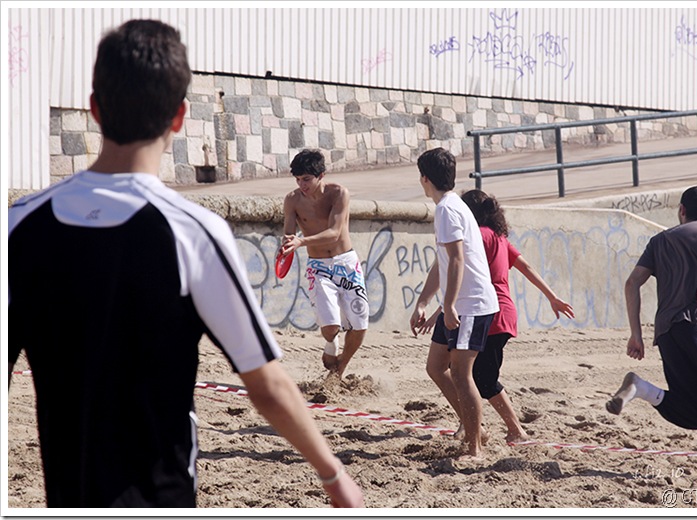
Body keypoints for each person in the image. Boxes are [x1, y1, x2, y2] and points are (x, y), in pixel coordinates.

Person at [8, 20, 363, 508]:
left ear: (94, 109)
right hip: (166, 494)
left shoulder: (20, 226)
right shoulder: (193, 232)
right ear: (178, 118)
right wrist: (332, 473)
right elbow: (266, 385)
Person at [606, 186, 697, 441]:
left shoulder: (659, 241)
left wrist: (636, 334)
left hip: (667, 333)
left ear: (682, 210)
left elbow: (632, 283)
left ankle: (642, 388)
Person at [457, 189, 575, 443]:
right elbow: (527, 267)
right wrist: (551, 296)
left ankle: (516, 430)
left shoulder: (479, 236)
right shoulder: (499, 237)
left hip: (489, 314)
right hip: (504, 313)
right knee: (466, 370)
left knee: (481, 378)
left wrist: (441, 310)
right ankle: (468, 423)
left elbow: (464, 276)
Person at [409, 148, 499, 460]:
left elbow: (458, 260)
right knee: (436, 367)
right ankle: (475, 427)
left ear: (424, 179)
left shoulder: (448, 209)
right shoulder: (449, 206)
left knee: (462, 374)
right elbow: (443, 262)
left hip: (471, 305)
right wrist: (423, 302)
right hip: (461, 304)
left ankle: (474, 447)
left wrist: (448, 306)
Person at [281, 149, 368, 377]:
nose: (302, 184)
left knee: (360, 326)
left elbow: (335, 233)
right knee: (329, 328)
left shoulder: (339, 194)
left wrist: (301, 241)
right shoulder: (292, 200)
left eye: (306, 179)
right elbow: (288, 235)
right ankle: (331, 345)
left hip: (346, 263)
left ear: (321, 175)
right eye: (298, 179)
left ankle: (341, 368)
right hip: (318, 266)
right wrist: (286, 245)